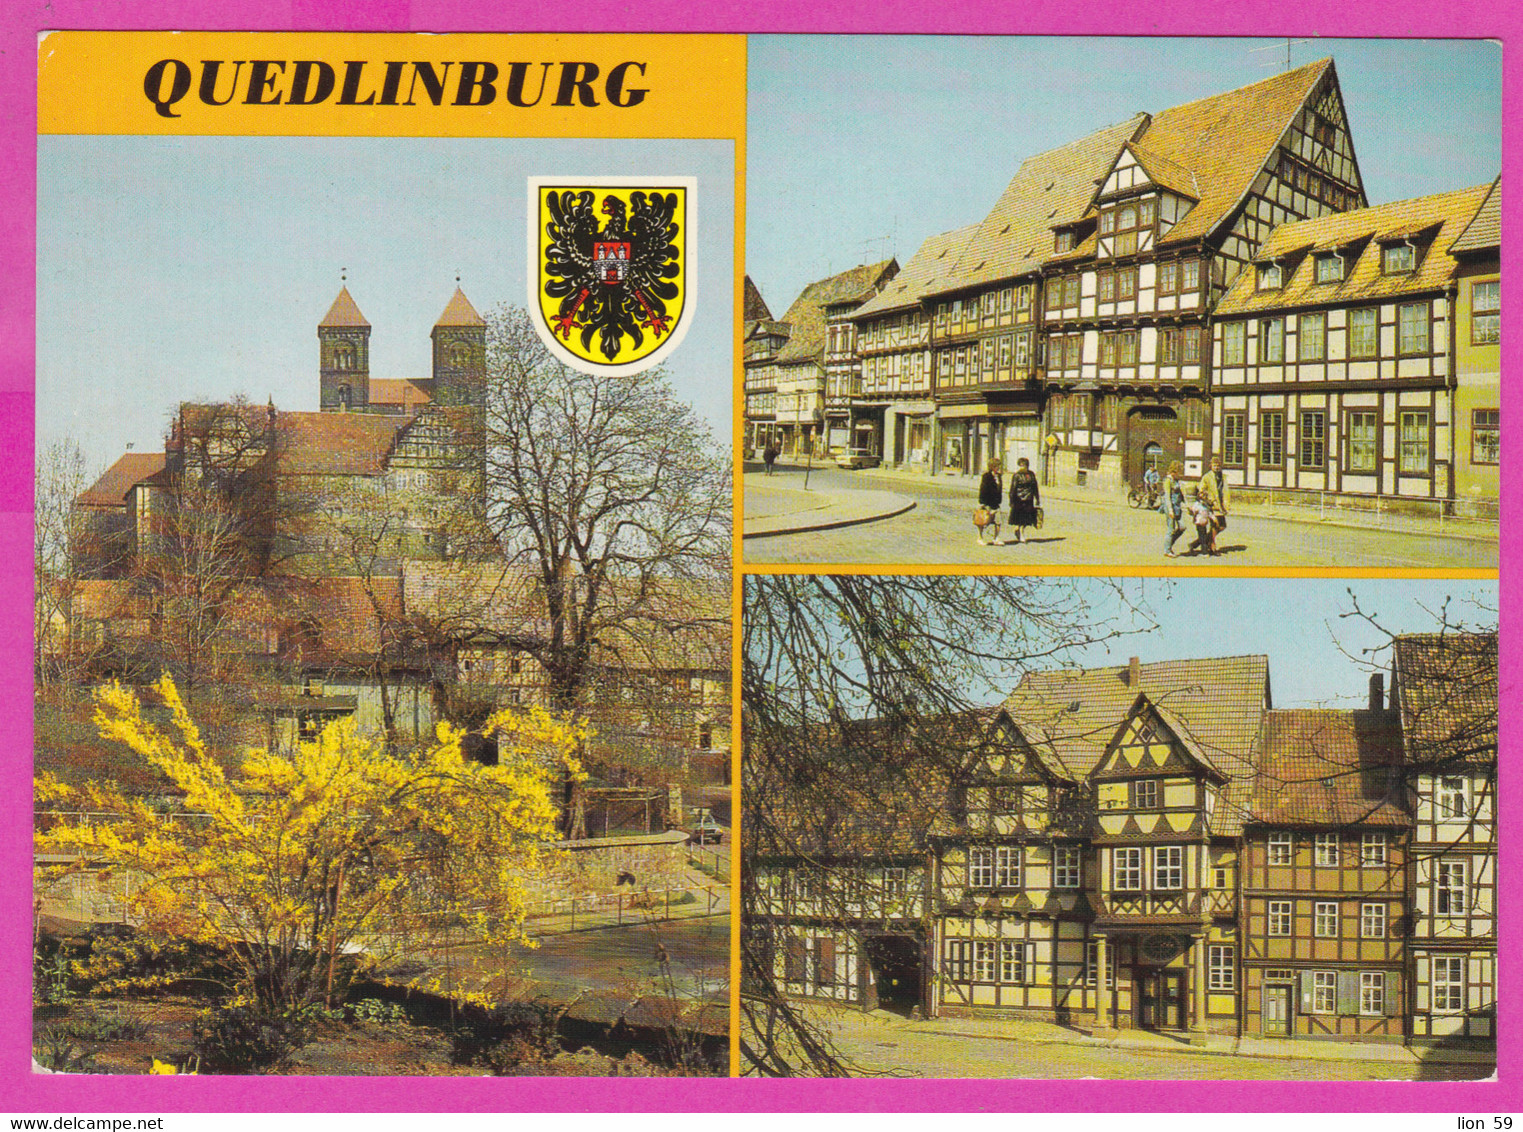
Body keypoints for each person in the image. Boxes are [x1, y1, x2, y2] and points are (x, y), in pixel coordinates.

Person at [1199, 454, 1229, 556]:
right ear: (1210, 466)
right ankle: (1212, 547)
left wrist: (1226, 504)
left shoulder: (1222, 477)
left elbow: (1225, 491)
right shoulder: (1206, 477)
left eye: (1218, 466)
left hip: (1221, 504)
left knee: (1222, 526)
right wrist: (1209, 499)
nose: (1216, 468)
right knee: (1215, 525)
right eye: (1214, 465)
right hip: (1212, 505)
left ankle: (1199, 542)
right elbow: (1201, 490)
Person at [1008, 456, 1041, 544]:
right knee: (1020, 517)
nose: (1022, 467)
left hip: (1029, 498)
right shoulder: (1017, 475)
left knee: (1026, 518)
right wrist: (1011, 500)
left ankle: (1019, 530)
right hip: (1019, 498)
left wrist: (1037, 498)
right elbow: (1013, 488)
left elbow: (1035, 487)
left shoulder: (1031, 474)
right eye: (1020, 465)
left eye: (1023, 465)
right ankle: (1021, 534)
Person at [976, 458, 1004, 545]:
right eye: (997, 466)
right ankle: (980, 537)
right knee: (984, 521)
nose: (998, 468)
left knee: (998, 521)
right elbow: (983, 489)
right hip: (988, 502)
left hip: (996, 503)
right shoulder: (986, 476)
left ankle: (996, 538)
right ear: (992, 467)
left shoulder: (999, 476)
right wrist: (982, 503)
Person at [1161, 460, 1186, 558]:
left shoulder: (1176, 481)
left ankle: (1169, 544)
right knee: (1171, 529)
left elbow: (1181, 495)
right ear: (1174, 472)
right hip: (1170, 507)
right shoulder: (1168, 480)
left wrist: (1187, 505)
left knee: (1182, 527)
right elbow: (1167, 496)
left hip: (1177, 507)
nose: (1181, 475)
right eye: (1179, 472)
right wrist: (1170, 510)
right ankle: (1167, 550)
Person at [1186, 488, 1215, 555]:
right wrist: (1192, 511)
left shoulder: (1206, 505)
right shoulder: (1197, 505)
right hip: (1199, 522)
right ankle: (1204, 551)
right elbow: (1193, 511)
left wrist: (1213, 518)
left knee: (1203, 536)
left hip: (1204, 523)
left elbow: (1209, 513)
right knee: (1203, 537)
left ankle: (1193, 545)